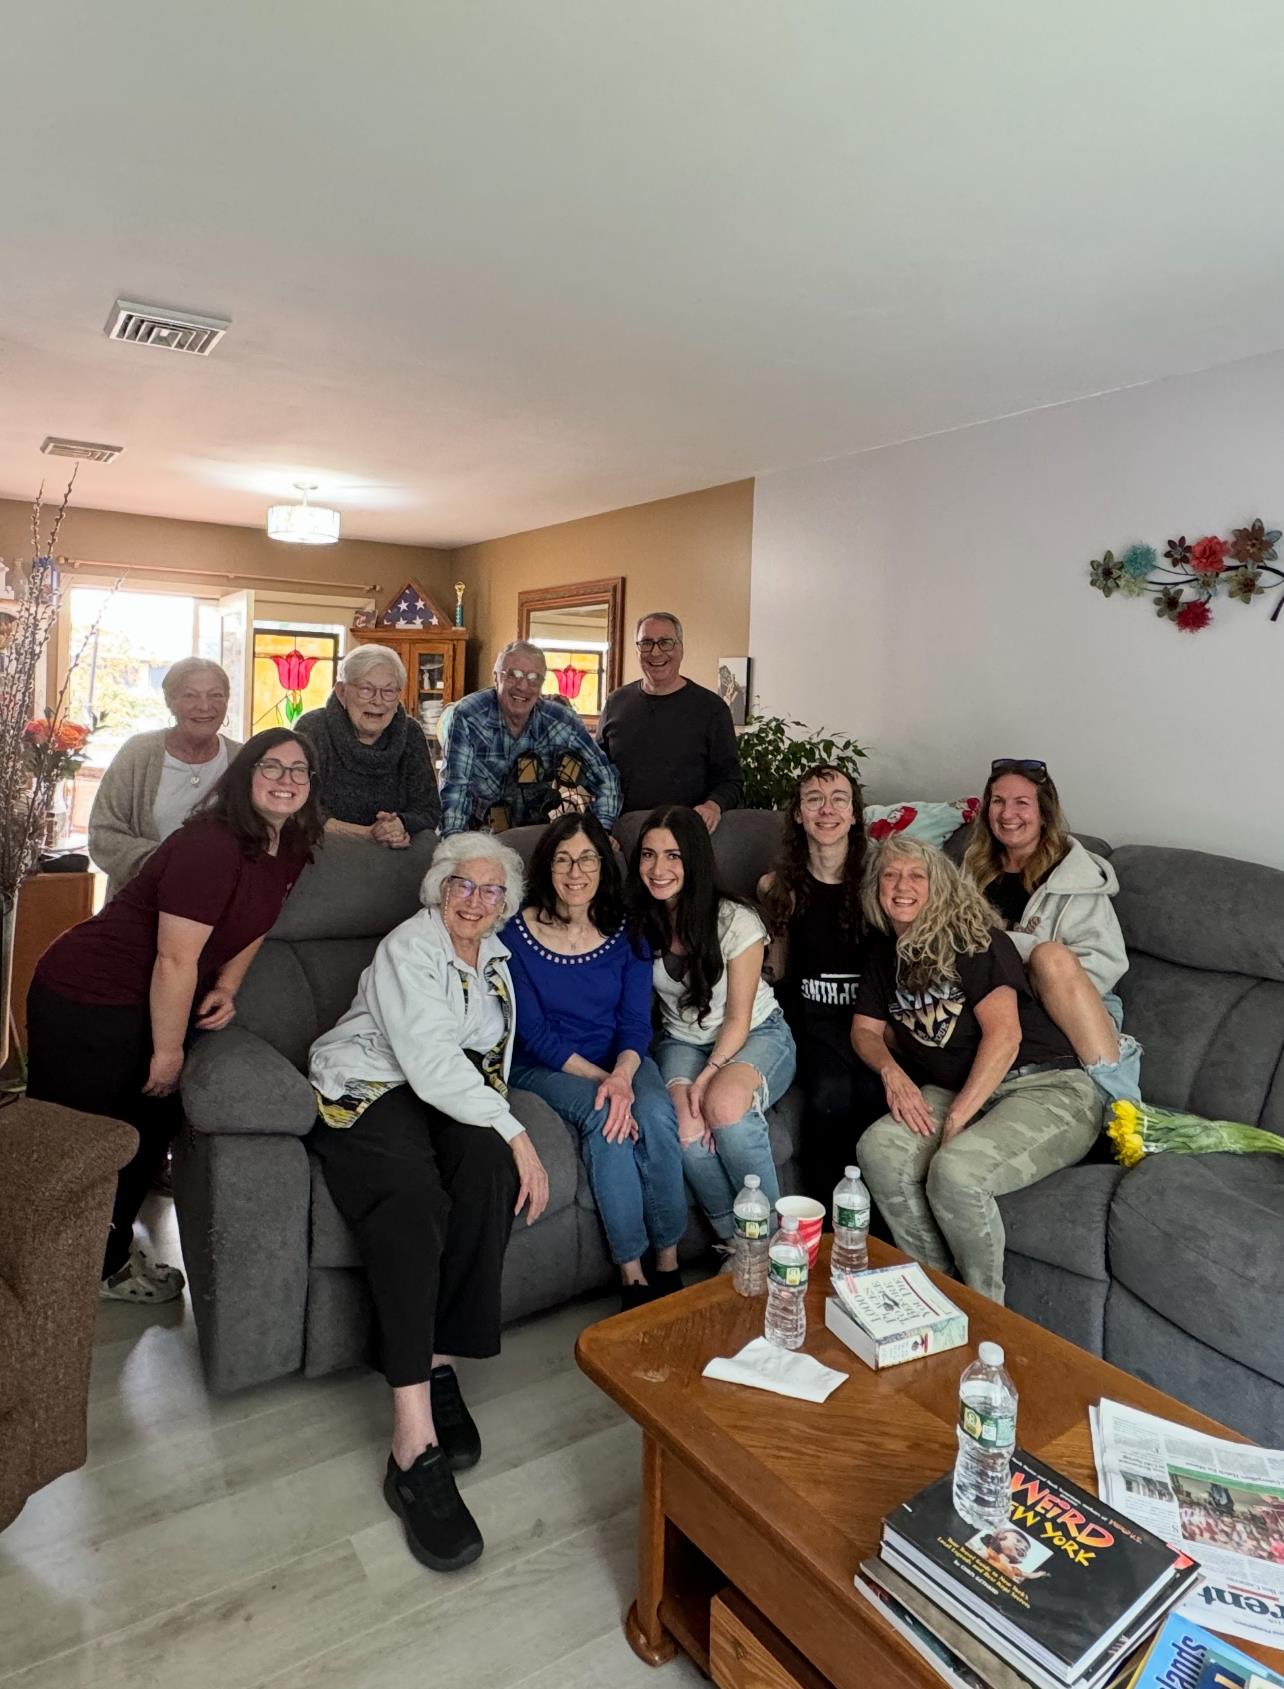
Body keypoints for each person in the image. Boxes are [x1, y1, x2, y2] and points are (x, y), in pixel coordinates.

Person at [308, 832, 550, 1575]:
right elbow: (431, 1058)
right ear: (438, 890)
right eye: (462, 886)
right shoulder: (409, 948)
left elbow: (480, 1060)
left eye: (490, 891)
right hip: (370, 1082)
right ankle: (411, 1442)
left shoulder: (498, 959)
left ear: (506, 904)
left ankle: (439, 1358)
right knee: (413, 1197)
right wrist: (519, 1133)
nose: (475, 901)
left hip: (430, 1094)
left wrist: (499, 1138)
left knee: (483, 1170)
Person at [27, 728, 321, 1300]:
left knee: (145, 1134)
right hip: (90, 996)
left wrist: (231, 984)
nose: (286, 780)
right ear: (244, 776)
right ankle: (44, 1269)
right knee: (83, 1141)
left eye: (299, 770)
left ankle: (101, 1264)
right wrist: (167, 1052)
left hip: (157, 998)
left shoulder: (288, 845)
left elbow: (261, 918)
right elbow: (174, 957)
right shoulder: (210, 844)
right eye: (271, 766)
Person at [853, 835, 1101, 1304]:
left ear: (940, 886)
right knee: (879, 1149)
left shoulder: (976, 942)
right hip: (964, 1087)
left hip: (1045, 1087)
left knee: (956, 1172)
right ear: (876, 888)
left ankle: (985, 1312)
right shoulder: (885, 955)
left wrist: (957, 1119)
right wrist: (893, 1074)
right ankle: (932, 1295)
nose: (901, 886)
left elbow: (1004, 1038)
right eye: (890, 874)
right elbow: (864, 1030)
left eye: (916, 875)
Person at [505, 811, 687, 1312]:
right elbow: (534, 1033)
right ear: (546, 867)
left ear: (604, 867)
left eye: (587, 858)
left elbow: (635, 1024)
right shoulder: (514, 935)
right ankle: (631, 1274)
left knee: (655, 1113)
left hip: (621, 1058)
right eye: (563, 859)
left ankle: (668, 1263)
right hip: (547, 1066)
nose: (576, 871)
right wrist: (609, 1085)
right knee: (610, 1117)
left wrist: (624, 1076)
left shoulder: (628, 932)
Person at [628, 805, 796, 1241]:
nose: (658, 868)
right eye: (648, 854)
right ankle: (737, 1241)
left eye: (673, 856)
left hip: (755, 1033)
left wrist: (705, 1080)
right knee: (682, 1128)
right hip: (683, 1040)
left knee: (723, 1109)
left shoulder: (736, 921)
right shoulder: (641, 922)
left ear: (695, 861)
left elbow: (738, 1018)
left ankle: (775, 1239)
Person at [961, 758, 1141, 1101]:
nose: (1007, 813)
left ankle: (1126, 1107)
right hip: (997, 1002)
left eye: (1021, 803)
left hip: (1073, 1005)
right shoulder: (974, 869)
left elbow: (1106, 962)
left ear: (1044, 814)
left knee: (1049, 956)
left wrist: (1016, 958)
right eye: (998, 801)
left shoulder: (1075, 878)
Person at [758, 764, 886, 1203]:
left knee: (873, 1092)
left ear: (854, 815)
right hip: (810, 1029)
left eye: (839, 799)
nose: (826, 809)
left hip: (871, 1025)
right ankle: (827, 1223)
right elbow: (774, 972)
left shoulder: (879, 885)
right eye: (813, 799)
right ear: (798, 814)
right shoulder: (778, 887)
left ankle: (875, 1228)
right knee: (828, 1092)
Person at [88, 657, 240, 898]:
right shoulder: (138, 753)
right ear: (170, 702)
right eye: (190, 695)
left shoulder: (242, 759)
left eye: (216, 695)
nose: (204, 706)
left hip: (219, 904)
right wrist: (170, 864)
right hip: (141, 903)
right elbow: (103, 836)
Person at [438, 640, 621, 835]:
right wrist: (455, 846)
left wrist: (600, 832)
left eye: (534, 678)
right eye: (513, 675)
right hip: (481, 837)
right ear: (495, 677)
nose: (523, 686)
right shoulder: (468, 715)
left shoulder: (561, 721)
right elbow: (455, 790)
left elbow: (605, 775)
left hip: (537, 836)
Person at [597, 612, 742, 830]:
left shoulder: (711, 709)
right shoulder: (615, 703)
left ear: (680, 648)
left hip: (684, 836)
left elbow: (731, 781)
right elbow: (597, 771)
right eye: (646, 643)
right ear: (637, 650)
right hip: (623, 835)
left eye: (665, 642)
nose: (655, 652)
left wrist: (713, 806)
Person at [295, 645, 440, 846]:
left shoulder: (411, 733)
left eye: (388, 691)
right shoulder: (312, 729)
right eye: (366, 689)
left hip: (392, 854)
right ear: (342, 692)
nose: (377, 701)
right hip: (324, 849)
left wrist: (401, 824)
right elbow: (300, 807)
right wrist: (368, 833)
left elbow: (429, 810)